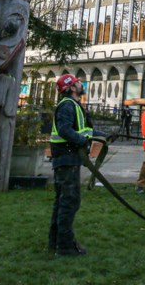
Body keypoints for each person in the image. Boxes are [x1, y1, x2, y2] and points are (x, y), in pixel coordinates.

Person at [48, 73, 108, 257]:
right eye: (78, 82)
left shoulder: (73, 105)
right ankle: (65, 246)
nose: (81, 84)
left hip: (67, 159)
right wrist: (82, 141)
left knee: (63, 201)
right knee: (70, 201)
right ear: (72, 88)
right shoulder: (67, 105)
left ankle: (56, 241)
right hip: (66, 159)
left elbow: (82, 130)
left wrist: (101, 135)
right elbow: (65, 130)